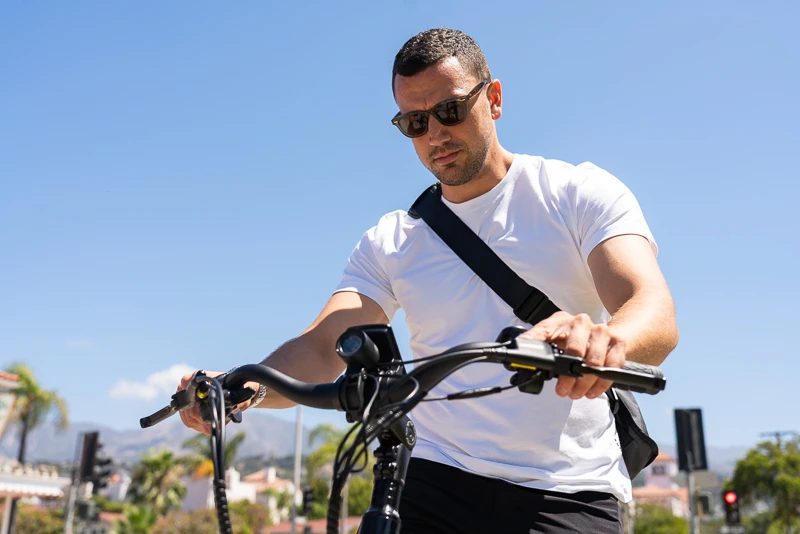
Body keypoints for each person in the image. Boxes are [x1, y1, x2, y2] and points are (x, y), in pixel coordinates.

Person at [178, 28, 678, 534]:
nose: (435, 134)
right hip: (435, 476)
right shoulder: (392, 241)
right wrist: (241, 385)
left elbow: (651, 307)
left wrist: (606, 342)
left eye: (450, 111)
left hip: (569, 486)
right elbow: (322, 346)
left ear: (495, 98)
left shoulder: (576, 193)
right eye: (414, 122)